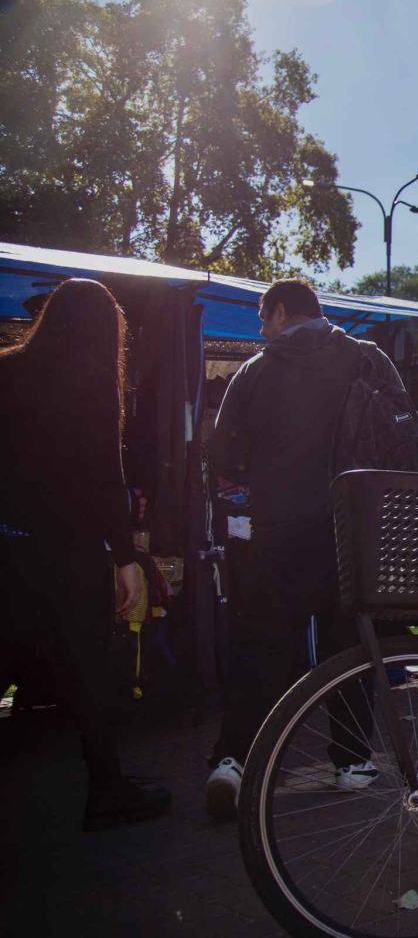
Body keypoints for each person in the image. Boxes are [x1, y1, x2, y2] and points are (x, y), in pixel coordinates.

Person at [205, 278, 406, 819]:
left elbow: (222, 454)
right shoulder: (366, 359)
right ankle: (351, 761)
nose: (260, 326)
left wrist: (264, 468)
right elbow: (407, 438)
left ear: (278, 312)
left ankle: (233, 760)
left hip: (279, 529)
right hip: (352, 529)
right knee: (350, 648)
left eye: (261, 316)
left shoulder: (255, 371)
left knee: (262, 646)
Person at [0, 278, 171, 831]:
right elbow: (104, 477)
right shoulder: (92, 380)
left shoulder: (5, 367)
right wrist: (126, 559)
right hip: (66, 552)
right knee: (89, 672)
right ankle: (106, 789)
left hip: (8, 545)